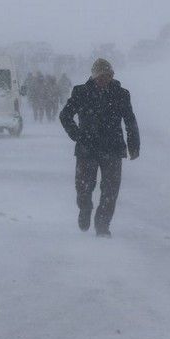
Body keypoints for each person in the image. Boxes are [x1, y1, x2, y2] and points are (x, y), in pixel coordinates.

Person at [59, 58, 140, 237]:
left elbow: (130, 121)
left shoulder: (121, 94)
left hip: (113, 149)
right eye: (101, 76)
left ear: (112, 76)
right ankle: (85, 209)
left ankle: (103, 226)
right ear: (94, 76)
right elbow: (65, 115)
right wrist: (78, 135)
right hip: (87, 149)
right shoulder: (81, 92)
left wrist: (134, 145)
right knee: (83, 188)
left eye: (108, 76)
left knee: (110, 190)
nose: (104, 80)